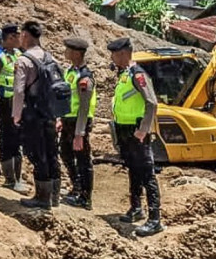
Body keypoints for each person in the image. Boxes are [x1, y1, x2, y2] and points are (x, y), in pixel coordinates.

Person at [108, 37, 164, 236]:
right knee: (132, 169)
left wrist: (143, 129)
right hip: (125, 131)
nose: (112, 58)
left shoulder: (138, 75)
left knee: (146, 173)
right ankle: (136, 207)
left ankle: (155, 219)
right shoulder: (125, 74)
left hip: (137, 132)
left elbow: (152, 103)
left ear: (122, 53)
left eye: (114, 54)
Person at [13, 21, 64, 209]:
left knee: (38, 154)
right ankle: (55, 197)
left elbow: (18, 91)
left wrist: (16, 114)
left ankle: (42, 198)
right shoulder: (51, 58)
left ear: (25, 36)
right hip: (50, 113)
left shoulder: (24, 61)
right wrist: (58, 115)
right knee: (52, 153)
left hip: (32, 114)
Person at [0, 24, 28, 193]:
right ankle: (10, 179)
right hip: (4, 103)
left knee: (18, 138)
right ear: (10, 38)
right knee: (7, 137)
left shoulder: (18, 54)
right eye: (18, 36)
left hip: (18, 102)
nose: (21, 40)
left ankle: (17, 177)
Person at [59, 37, 97, 209]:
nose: (65, 52)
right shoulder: (70, 72)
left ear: (76, 53)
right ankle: (77, 186)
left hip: (79, 122)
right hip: (68, 120)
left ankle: (85, 197)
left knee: (82, 159)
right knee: (65, 153)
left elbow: (83, 106)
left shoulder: (84, 77)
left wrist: (79, 134)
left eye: (68, 50)